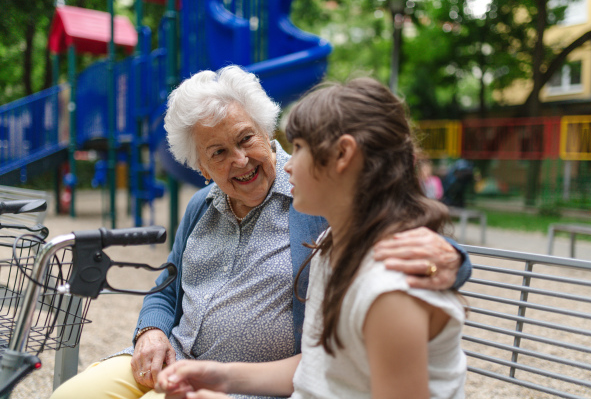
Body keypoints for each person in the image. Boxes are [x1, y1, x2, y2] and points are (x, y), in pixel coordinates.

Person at [51, 67, 470, 399]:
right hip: (184, 361)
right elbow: (166, 288)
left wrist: (453, 258)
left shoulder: (316, 206)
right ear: (202, 169)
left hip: (254, 387)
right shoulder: (202, 207)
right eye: (218, 153)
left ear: (267, 131)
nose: (241, 160)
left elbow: (390, 226)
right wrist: (151, 331)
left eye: (247, 139)